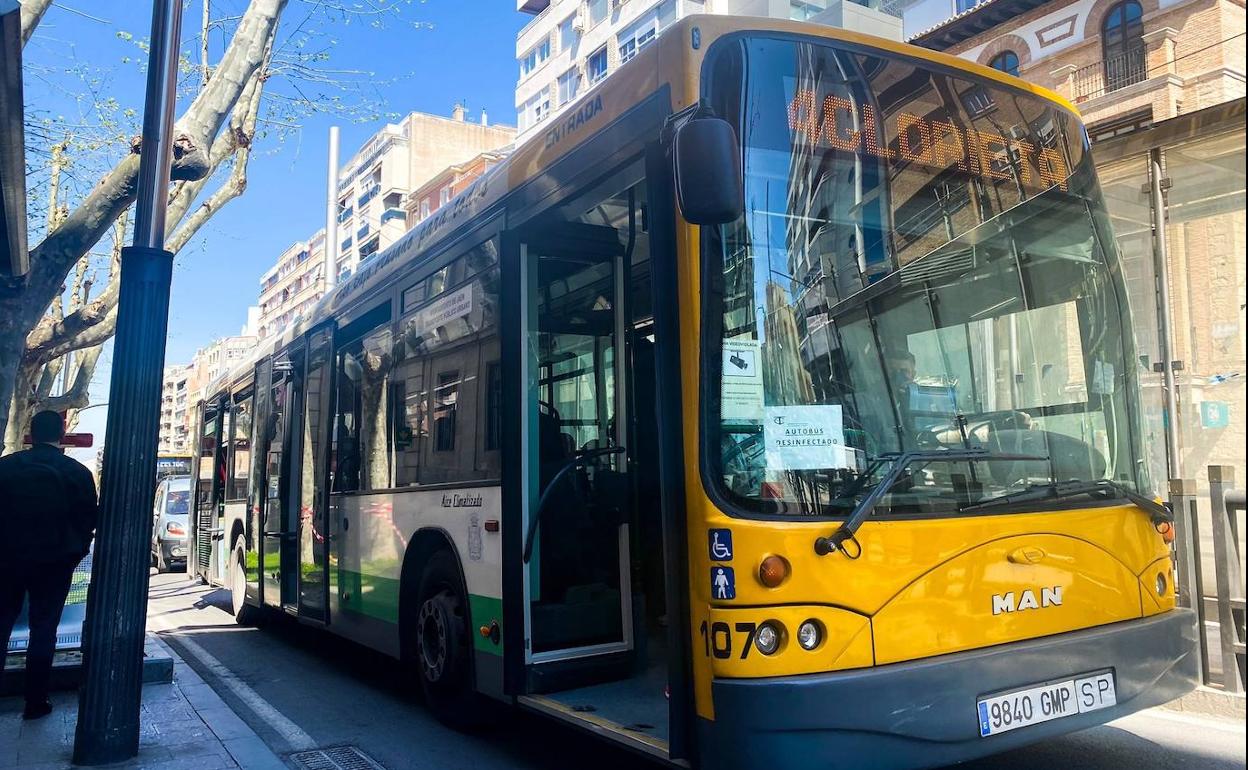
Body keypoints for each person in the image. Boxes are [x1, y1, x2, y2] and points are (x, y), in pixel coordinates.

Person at [0, 411, 98, 720]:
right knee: (44, 630)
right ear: (62, 432)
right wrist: (73, 554)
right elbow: (89, 521)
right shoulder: (77, 472)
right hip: (54, 564)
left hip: (7, 561)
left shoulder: (6, 468)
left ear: (31, 432)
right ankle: (36, 702)